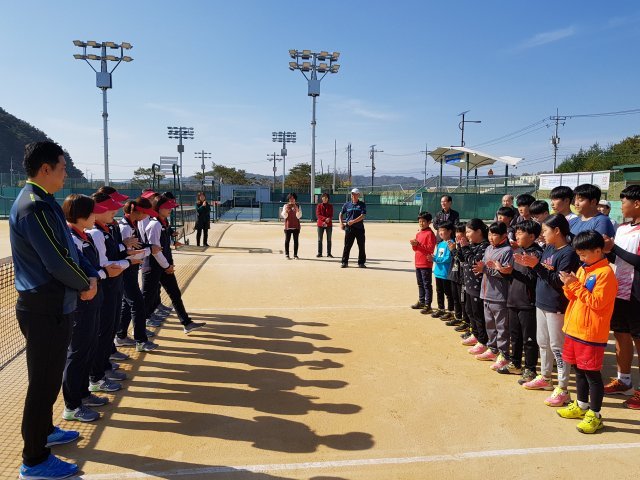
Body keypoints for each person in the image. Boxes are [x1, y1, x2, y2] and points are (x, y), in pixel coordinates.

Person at [10, 142, 97, 479]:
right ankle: (34, 460)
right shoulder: (35, 206)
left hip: (50, 305)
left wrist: (85, 275)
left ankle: (45, 431)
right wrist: (86, 283)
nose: (66, 174)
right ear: (44, 169)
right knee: (43, 385)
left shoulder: (42, 201)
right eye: (62, 168)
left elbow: (66, 252)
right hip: (45, 308)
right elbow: (57, 260)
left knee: (45, 379)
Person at [515, 214, 580, 407]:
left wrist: (536, 266)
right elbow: (543, 272)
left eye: (545, 231)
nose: (542, 235)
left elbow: (559, 282)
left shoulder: (568, 253)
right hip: (541, 302)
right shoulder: (549, 248)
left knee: (558, 347)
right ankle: (545, 378)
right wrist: (533, 265)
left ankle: (563, 388)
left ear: (557, 231)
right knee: (543, 343)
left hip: (556, 305)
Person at [557, 230, 617, 434]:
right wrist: (568, 285)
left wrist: (574, 286)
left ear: (598, 250)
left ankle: (595, 414)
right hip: (574, 329)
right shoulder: (584, 269)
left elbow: (597, 303)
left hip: (590, 333)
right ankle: (581, 405)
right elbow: (574, 296)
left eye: (583, 254)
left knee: (592, 375)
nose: (580, 258)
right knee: (578, 370)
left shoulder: (605, 274)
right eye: (579, 255)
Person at [62, 195, 113, 424]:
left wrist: (96, 277)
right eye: (93, 212)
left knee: (88, 347)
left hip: (93, 300)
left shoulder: (84, 235)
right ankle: (72, 406)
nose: (96, 216)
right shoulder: (70, 238)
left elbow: (91, 268)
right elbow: (78, 269)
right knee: (77, 352)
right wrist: (97, 276)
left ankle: (83, 394)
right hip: (81, 304)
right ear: (81, 215)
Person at [142, 194, 206, 334]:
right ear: (158, 208)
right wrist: (166, 266)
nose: (170, 210)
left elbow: (161, 244)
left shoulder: (163, 223)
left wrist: (171, 246)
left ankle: (186, 323)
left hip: (164, 266)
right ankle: (139, 330)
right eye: (167, 208)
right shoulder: (154, 224)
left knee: (175, 294)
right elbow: (155, 249)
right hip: (154, 267)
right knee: (147, 299)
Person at [87, 193, 131, 393]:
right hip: (104, 287)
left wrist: (125, 252)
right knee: (103, 332)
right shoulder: (95, 233)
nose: (115, 211)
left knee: (109, 329)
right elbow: (104, 264)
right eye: (110, 208)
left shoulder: (107, 228)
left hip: (113, 285)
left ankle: (103, 367)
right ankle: (97, 374)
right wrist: (128, 261)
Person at [602, 185, 640, 408]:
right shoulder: (623, 228)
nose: (621, 205)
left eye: (624, 202)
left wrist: (613, 249)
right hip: (620, 290)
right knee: (621, 336)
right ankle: (624, 381)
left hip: (637, 294)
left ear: (636, 203)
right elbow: (621, 261)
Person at [115, 197, 160, 352]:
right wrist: (149, 249)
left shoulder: (133, 224)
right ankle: (140, 340)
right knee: (137, 303)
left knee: (128, 304)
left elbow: (137, 246)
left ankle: (120, 335)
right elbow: (125, 252)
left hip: (131, 269)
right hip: (126, 269)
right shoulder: (124, 227)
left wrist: (149, 247)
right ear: (137, 211)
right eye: (145, 212)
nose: (147, 216)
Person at [500, 220, 543, 382]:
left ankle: (530, 369)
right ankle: (515, 363)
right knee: (515, 335)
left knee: (529, 338)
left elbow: (534, 279)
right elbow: (513, 274)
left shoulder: (536, 254)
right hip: (513, 299)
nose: (516, 235)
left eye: (520, 233)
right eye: (516, 232)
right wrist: (505, 271)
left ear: (532, 236)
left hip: (528, 303)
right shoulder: (518, 251)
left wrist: (512, 272)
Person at [473, 222, 513, 370]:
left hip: (499, 296)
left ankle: (504, 355)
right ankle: (493, 349)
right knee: (490, 325)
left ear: (504, 236)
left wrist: (485, 270)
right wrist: (480, 269)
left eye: (494, 234)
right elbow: (484, 267)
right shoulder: (489, 248)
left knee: (502, 327)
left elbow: (505, 273)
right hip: (486, 293)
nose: (491, 237)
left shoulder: (507, 251)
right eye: (489, 234)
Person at [460, 219, 490, 351]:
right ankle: (476, 334)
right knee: (470, 312)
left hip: (478, 287)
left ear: (478, 231)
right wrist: (460, 248)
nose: (466, 235)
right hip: (469, 285)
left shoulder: (484, 246)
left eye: (468, 231)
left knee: (479, 315)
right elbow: (462, 258)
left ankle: (483, 341)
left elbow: (474, 262)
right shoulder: (471, 245)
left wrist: (465, 248)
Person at [410, 212, 436, 314]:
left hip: (426, 263)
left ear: (429, 222)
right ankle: (421, 301)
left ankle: (427, 304)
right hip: (418, 262)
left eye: (423, 221)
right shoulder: (419, 233)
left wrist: (418, 244)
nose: (421, 223)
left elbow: (430, 249)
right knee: (420, 283)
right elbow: (415, 249)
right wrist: (414, 244)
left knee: (426, 284)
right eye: (420, 221)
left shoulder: (430, 234)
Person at [445, 223, 469, 328]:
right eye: (456, 232)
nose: (458, 234)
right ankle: (458, 317)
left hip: (462, 278)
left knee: (463, 300)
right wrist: (453, 249)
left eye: (461, 232)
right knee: (455, 298)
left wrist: (454, 250)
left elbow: (462, 260)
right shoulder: (456, 243)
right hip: (454, 275)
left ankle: (466, 321)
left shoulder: (466, 246)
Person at [432, 221, 455, 320]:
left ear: (449, 231)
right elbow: (438, 256)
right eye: (439, 231)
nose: (440, 233)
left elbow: (448, 258)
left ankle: (450, 311)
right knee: (439, 291)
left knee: (448, 293)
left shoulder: (451, 243)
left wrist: (435, 259)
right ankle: (441, 309)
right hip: (438, 272)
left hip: (446, 273)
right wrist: (434, 257)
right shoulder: (440, 243)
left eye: (443, 231)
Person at [340, 188, 367, 268]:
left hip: (359, 228)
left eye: (355, 194)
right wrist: (341, 223)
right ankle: (344, 262)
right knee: (347, 246)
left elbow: (362, 216)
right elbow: (340, 214)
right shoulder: (347, 204)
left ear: (358, 195)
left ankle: (361, 262)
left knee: (361, 246)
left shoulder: (362, 204)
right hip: (349, 229)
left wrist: (353, 221)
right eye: (352, 194)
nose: (353, 195)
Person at [281, 192, 302, 260]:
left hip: (296, 226)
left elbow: (299, 216)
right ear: (288, 199)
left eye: (293, 198)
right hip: (288, 226)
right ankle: (287, 254)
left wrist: (297, 209)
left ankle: (295, 255)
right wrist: (286, 211)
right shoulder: (285, 206)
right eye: (290, 198)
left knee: (296, 241)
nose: (292, 200)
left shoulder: (298, 206)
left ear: (295, 199)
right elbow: (284, 216)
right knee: (287, 240)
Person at [316, 193, 334, 257]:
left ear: (328, 199)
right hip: (320, 224)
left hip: (329, 224)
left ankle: (329, 253)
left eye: (326, 197)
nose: (325, 199)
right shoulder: (319, 206)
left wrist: (328, 219)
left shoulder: (330, 206)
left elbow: (331, 215)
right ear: (322, 198)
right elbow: (318, 215)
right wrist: (325, 219)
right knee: (320, 239)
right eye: (323, 197)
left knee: (329, 239)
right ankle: (319, 253)